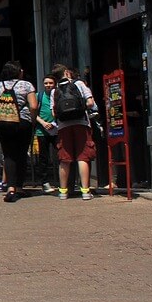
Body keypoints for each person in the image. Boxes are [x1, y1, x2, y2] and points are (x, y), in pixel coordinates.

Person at [0, 61, 38, 202]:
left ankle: (10, 188)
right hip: (22, 122)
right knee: (21, 154)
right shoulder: (27, 85)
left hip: (3, 123)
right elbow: (33, 105)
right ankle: (20, 187)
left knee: (8, 154)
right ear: (18, 72)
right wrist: (32, 120)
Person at [50, 63, 98, 200]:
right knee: (83, 157)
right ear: (66, 72)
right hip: (81, 123)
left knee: (64, 159)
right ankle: (85, 191)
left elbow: (54, 112)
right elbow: (90, 103)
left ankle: (63, 192)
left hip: (63, 126)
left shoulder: (55, 91)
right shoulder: (79, 84)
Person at [34, 75, 58, 193]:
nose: (48, 85)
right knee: (43, 157)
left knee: (61, 155)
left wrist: (53, 123)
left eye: (51, 83)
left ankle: (61, 181)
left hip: (56, 129)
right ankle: (44, 182)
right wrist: (43, 123)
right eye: (46, 83)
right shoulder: (39, 96)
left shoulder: (58, 95)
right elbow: (33, 112)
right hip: (42, 131)